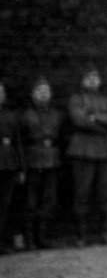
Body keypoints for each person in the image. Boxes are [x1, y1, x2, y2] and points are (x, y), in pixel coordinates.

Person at [67, 65, 107, 246]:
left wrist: (95, 117)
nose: (92, 80)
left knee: (106, 193)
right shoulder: (76, 99)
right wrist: (104, 120)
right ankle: (82, 236)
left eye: (95, 77)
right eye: (88, 77)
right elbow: (79, 120)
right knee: (82, 192)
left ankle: (105, 233)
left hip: (105, 149)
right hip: (82, 149)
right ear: (82, 81)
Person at [19, 77, 63, 250]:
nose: (43, 94)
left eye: (46, 91)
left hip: (52, 161)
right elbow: (20, 142)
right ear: (32, 94)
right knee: (31, 201)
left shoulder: (56, 114)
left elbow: (61, 138)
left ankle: (41, 237)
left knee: (48, 200)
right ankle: (29, 239)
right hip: (32, 161)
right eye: (39, 91)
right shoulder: (25, 115)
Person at [0, 82, 24, 254]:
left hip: (8, 164)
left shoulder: (11, 116)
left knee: (5, 205)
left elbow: (18, 143)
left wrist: (21, 167)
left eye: (0, 92)